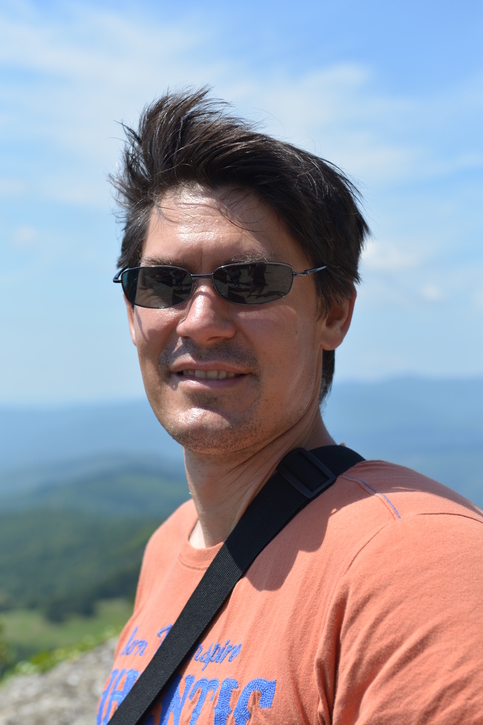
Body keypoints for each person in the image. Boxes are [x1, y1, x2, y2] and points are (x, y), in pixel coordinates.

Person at [97, 90, 483, 725]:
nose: (200, 320)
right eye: (165, 283)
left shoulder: (417, 562)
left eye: (249, 282)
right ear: (132, 311)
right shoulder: (169, 546)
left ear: (334, 313)